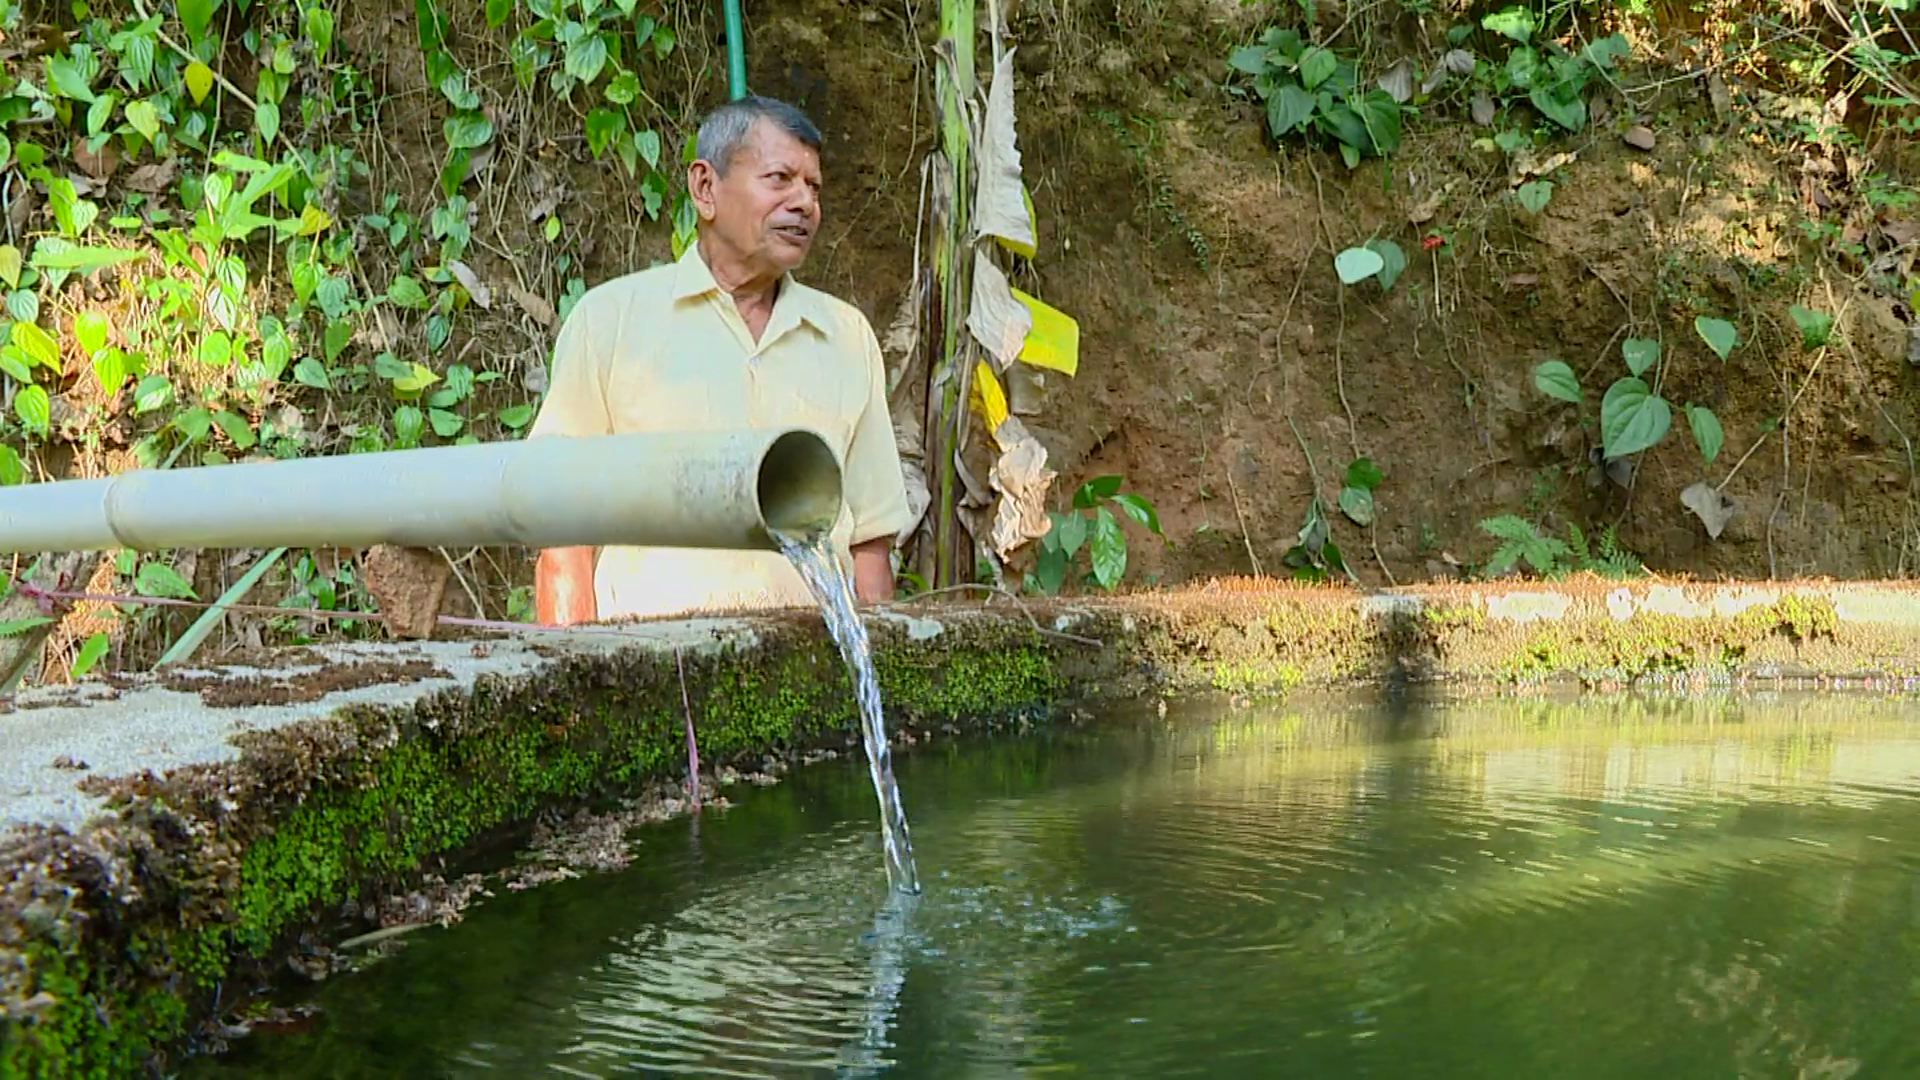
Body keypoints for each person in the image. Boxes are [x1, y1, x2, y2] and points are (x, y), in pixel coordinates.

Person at [525, 95, 914, 626]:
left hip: (812, 677)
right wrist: (569, 683)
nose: (804, 202)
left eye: (814, 187)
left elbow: (871, 542)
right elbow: (561, 524)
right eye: (780, 178)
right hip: (651, 670)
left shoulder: (845, 337)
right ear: (706, 188)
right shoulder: (611, 323)